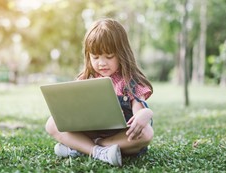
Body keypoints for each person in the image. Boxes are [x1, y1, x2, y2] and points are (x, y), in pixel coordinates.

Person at [45, 18, 154, 167]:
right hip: (92, 131)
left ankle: (84, 147)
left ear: (122, 53)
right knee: (51, 123)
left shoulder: (130, 81)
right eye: (95, 57)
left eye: (109, 57)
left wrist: (145, 114)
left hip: (119, 137)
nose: (102, 63)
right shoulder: (86, 79)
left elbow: (140, 111)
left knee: (146, 133)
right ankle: (97, 151)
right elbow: (72, 112)